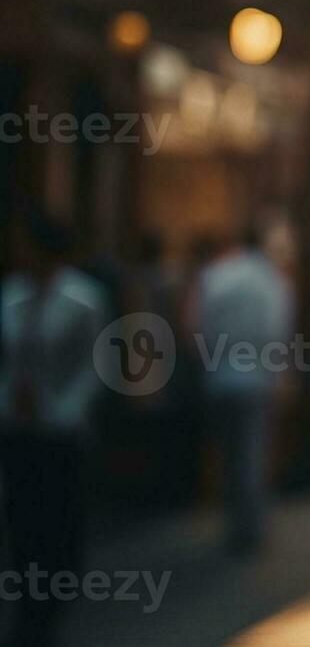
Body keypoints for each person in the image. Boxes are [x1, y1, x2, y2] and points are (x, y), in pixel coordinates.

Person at [0, 213, 108, 645]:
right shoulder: (11, 295)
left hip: (61, 427)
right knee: (22, 517)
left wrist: (64, 409)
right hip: (17, 423)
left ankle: (52, 597)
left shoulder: (84, 299)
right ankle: (29, 604)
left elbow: (94, 365)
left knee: (57, 518)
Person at [188, 223, 293, 554]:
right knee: (250, 453)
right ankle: (250, 526)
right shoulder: (271, 281)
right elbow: (277, 331)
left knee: (228, 453)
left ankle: (235, 523)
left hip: (219, 375)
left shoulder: (214, 276)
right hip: (255, 377)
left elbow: (198, 326)